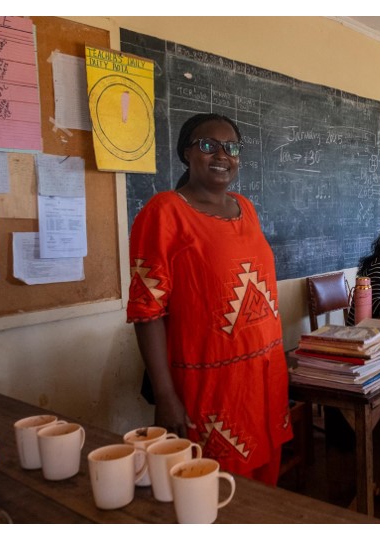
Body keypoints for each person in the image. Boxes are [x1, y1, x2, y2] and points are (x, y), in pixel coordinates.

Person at [127, 113, 291, 485]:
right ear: (186, 153)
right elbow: (146, 311)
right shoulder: (164, 212)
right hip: (212, 389)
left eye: (231, 147)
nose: (221, 155)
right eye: (208, 145)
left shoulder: (245, 208)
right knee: (213, 490)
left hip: (264, 379)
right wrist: (165, 395)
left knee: (266, 490)